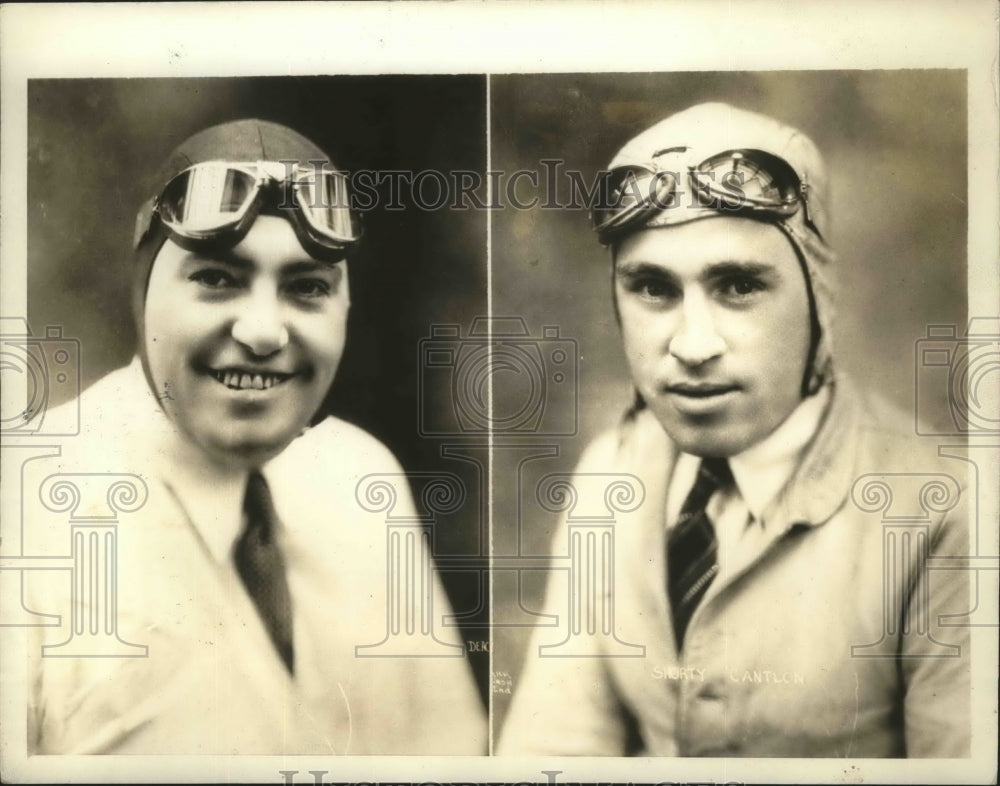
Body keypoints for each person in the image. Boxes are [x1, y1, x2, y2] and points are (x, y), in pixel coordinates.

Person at [498, 103, 971, 757]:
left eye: (739, 285)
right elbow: (553, 752)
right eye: (653, 288)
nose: (693, 344)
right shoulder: (612, 474)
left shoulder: (950, 509)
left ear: (819, 298)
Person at [26, 119, 486, 754]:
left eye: (307, 288)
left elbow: (450, 755)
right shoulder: (27, 500)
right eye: (218, 278)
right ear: (143, 295)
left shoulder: (359, 480)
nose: (265, 331)